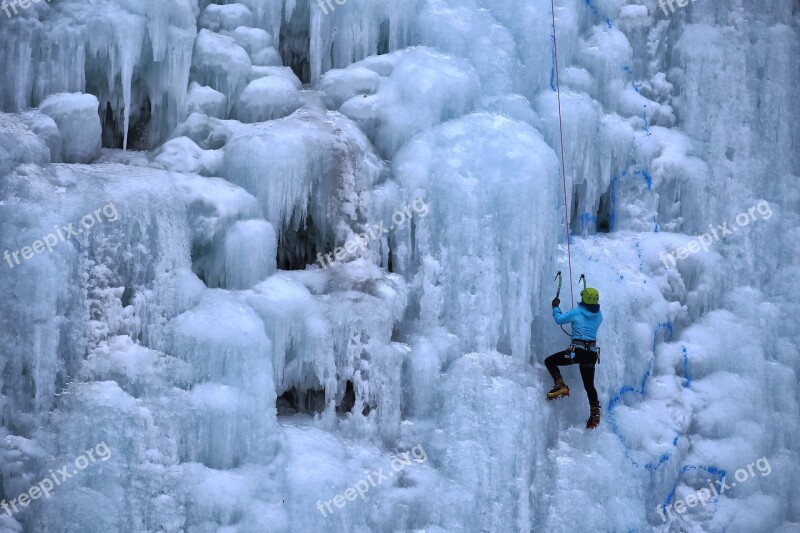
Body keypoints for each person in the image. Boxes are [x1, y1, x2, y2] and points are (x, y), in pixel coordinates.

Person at [545, 287, 603, 430]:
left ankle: (560, 385)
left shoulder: (576, 312)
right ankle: (595, 414)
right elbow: (588, 315)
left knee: (550, 361)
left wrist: (555, 307)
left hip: (577, 352)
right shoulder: (599, 315)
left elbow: (559, 320)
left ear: (584, 299)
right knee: (589, 386)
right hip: (592, 355)